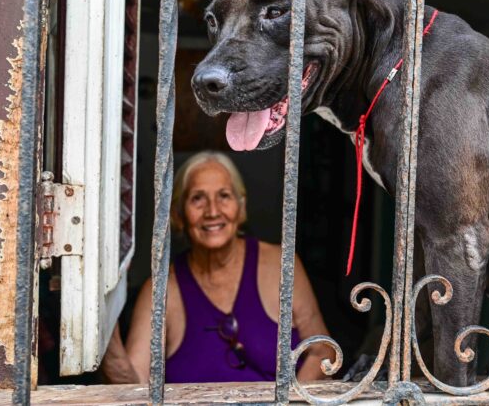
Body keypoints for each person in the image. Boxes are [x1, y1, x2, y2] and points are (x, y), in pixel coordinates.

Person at [103, 151, 334, 383]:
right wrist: (105, 330)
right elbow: (135, 386)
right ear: (178, 214)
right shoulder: (161, 290)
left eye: (224, 196)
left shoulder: (282, 265)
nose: (212, 211)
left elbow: (323, 351)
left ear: (241, 208)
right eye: (197, 198)